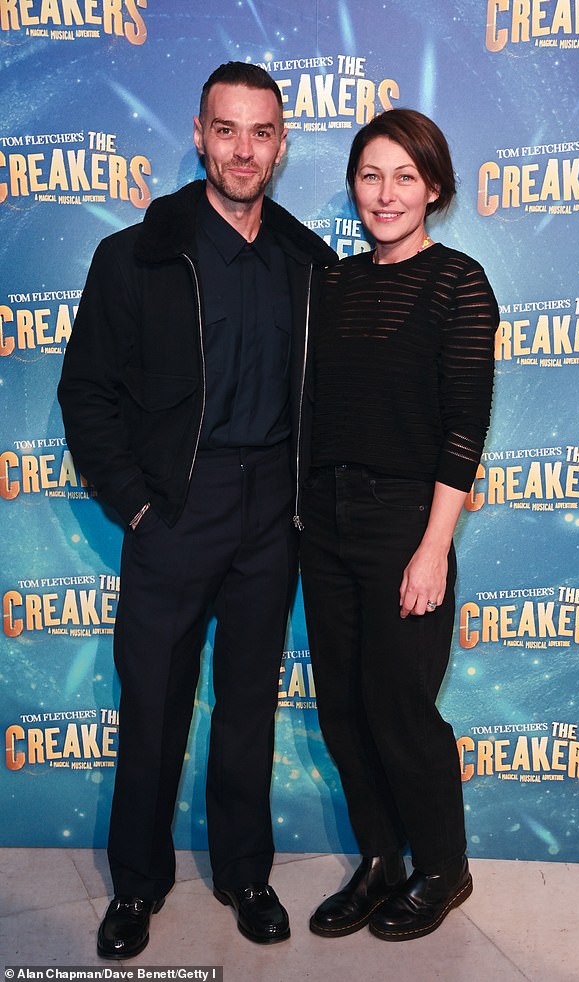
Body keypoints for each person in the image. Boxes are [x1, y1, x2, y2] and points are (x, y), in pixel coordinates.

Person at [58, 61, 336, 957]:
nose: (243, 150)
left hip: (270, 514)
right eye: (227, 130)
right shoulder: (139, 252)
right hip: (178, 505)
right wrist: (136, 505)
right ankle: (136, 890)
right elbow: (85, 393)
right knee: (154, 707)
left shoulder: (306, 260)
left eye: (261, 133)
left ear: (281, 144)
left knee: (250, 703)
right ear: (199, 132)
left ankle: (245, 875)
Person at [299, 109, 498, 942]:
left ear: (435, 189)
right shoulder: (332, 284)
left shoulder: (459, 282)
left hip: (406, 522)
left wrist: (431, 549)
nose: (385, 194)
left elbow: (464, 429)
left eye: (404, 177)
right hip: (326, 521)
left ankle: (444, 869)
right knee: (342, 709)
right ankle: (381, 860)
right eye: (371, 175)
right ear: (354, 185)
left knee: (402, 709)